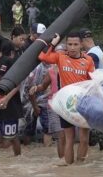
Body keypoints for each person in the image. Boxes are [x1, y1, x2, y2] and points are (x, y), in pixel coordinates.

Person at [38, 32, 95, 165]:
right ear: (66, 45)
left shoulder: (88, 60)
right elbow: (42, 56)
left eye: (75, 44)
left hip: (83, 104)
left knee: (84, 139)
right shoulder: (60, 56)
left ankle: (80, 166)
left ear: (81, 45)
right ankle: (70, 169)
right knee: (69, 139)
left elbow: (93, 82)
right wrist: (53, 43)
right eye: (69, 44)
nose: (72, 47)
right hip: (66, 104)